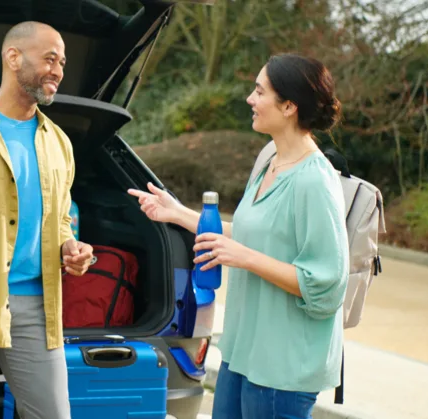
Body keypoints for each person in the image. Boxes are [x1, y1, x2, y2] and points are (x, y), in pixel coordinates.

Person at [128, 53, 349, 419]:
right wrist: (178, 213)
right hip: (242, 353)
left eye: (260, 92)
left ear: (289, 106)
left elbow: (325, 284)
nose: (250, 99)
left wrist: (243, 257)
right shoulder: (268, 159)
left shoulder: (315, 180)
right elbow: (250, 233)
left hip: (283, 367)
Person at [0, 21, 95, 419]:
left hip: (34, 303)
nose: (58, 70)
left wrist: (69, 245)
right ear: (13, 57)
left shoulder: (58, 142)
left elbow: (61, 216)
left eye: (62, 61)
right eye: (49, 58)